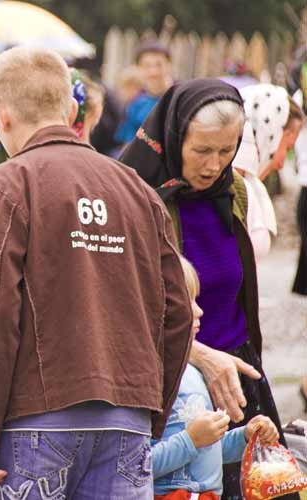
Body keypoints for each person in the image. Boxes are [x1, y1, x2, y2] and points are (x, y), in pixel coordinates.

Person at [0, 47, 193, 500]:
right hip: (129, 419)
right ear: (71, 110)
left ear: (0, 118)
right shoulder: (137, 191)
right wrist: (151, 412)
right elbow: (179, 312)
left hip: (35, 422)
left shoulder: (2, 185)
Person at [121, 78, 299, 500]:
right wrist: (196, 353)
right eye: (201, 150)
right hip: (174, 383)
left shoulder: (233, 191)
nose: (213, 164)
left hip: (235, 377)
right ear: (173, 137)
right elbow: (124, 306)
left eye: (226, 149)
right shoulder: (137, 198)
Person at [152, 256, 279, 499]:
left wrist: (244, 437)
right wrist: (189, 441)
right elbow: (133, 466)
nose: (200, 311)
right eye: (187, 301)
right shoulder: (147, 378)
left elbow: (207, 449)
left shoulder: (194, 370)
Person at [232, 85, 303, 260]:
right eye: (287, 147)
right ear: (269, 134)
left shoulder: (245, 185)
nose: (281, 164)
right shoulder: (228, 188)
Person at [115, 40, 173, 145]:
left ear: (169, 65)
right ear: (138, 68)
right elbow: (128, 144)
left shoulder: (179, 98)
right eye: (147, 65)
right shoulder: (134, 104)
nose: (153, 72)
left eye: (159, 65)